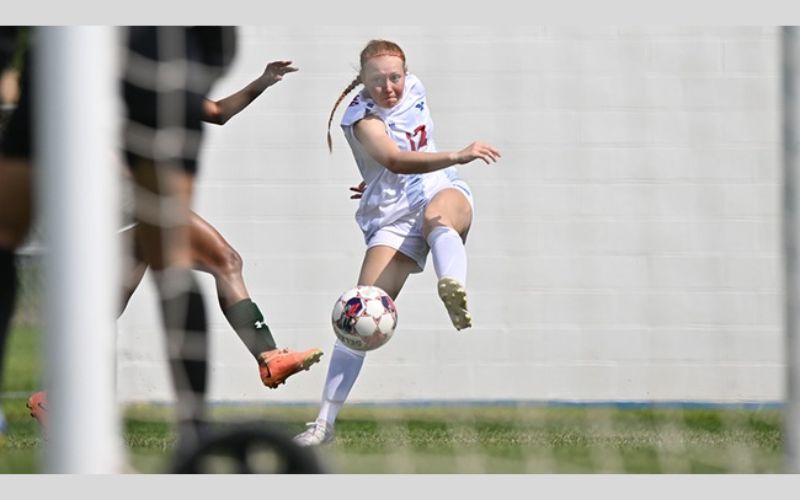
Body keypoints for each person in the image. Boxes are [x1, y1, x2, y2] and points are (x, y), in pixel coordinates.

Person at [24, 33, 323, 430]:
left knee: (105, 310)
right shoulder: (85, 89)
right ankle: (268, 357)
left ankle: (56, 398)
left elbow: (217, 111)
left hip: (126, 208)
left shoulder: (149, 82)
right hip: (123, 203)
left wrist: (262, 82)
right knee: (225, 260)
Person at [293, 39, 501, 446]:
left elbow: (406, 146)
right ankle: (323, 425)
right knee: (355, 318)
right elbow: (394, 160)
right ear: (362, 80)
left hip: (438, 188)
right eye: (377, 80)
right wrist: (456, 155)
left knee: (439, 216)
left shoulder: (415, 86)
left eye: (395, 77)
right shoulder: (361, 119)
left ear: (406, 73)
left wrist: (379, 177)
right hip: (392, 219)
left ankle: (453, 287)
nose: (388, 87)